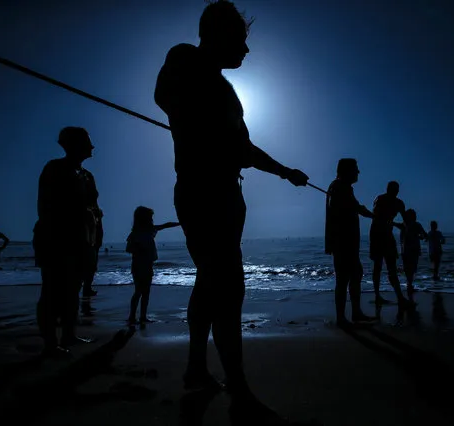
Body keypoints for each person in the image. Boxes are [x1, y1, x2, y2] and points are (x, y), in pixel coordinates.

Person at [154, 0, 309, 408]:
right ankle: (237, 385)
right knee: (228, 285)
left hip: (224, 192)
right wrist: (201, 123)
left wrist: (284, 171)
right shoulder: (185, 57)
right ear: (216, 34)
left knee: (209, 282)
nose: (246, 49)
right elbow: (165, 96)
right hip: (201, 190)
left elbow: (244, 149)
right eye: (240, 39)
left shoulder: (227, 90)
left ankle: (196, 368)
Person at [33, 126, 98, 357]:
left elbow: (93, 208)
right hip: (56, 239)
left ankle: (69, 334)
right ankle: (51, 343)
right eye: (87, 142)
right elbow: (46, 207)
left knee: (73, 290)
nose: (92, 147)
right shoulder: (55, 168)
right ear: (72, 144)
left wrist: (93, 238)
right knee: (52, 291)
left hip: (83, 241)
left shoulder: (87, 176)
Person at [325, 158, 375, 327]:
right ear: (347, 170)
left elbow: (355, 207)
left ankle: (354, 313)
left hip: (347, 242)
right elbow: (352, 208)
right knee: (344, 278)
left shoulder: (342, 188)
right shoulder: (339, 187)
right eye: (355, 169)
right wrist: (373, 215)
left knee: (355, 274)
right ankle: (342, 318)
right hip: (343, 241)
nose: (358, 172)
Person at [126, 206, 179, 324]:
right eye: (150, 217)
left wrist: (179, 223)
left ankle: (143, 316)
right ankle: (132, 316)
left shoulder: (150, 230)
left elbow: (166, 225)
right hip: (138, 265)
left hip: (148, 265)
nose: (152, 220)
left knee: (146, 292)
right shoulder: (136, 233)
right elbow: (128, 248)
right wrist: (140, 248)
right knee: (139, 291)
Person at [369, 181, 408, 306]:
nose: (394, 192)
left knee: (391, 267)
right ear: (388, 189)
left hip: (388, 235)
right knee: (378, 266)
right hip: (377, 235)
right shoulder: (380, 199)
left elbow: (405, 220)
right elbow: (377, 217)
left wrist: (408, 228)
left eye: (396, 190)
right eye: (392, 189)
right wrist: (396, 224)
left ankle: (399, 297)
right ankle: (378, 296)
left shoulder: (399, 203)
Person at [399, 209, 428, 302]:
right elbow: (424, 235)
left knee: (407, 268)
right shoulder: (417, 225)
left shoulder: (403, 225)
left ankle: (409, 284)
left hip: (404, 250)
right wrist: (420, 237)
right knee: (412, 268)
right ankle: (409, 285)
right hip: (414, 250)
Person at [81, 211, 103, 297]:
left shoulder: (90, 213)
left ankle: (87, 288)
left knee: (91, 268)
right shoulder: (89, 213)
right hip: (89, 245)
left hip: (91, 245)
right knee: (90, 268)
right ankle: (86, 289)